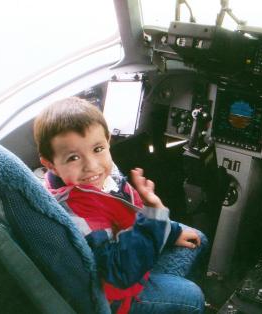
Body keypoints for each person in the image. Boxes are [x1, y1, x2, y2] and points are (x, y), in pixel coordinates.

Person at [33, 96, 208, 314]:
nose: (92, 166)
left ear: (108, 141)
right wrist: (155, 216)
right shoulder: (76, 214)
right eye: (73, 158)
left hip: (132, 251)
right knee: (191, 298)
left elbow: (129, 214)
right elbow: (120, 272)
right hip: (117, 297)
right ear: (51, 165)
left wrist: (171, 231)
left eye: (98, 149)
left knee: (198, 238)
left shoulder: (103, 178)